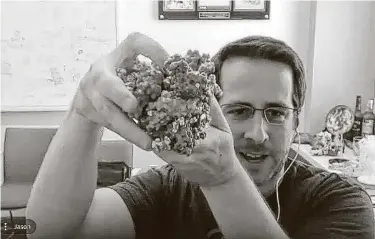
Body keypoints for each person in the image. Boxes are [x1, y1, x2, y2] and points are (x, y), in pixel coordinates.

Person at [26, 32, 374, 239]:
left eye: (276, 113)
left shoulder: (342, 201)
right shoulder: (169, 188)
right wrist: (84, 111)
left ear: (296, 122)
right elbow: (48, 231)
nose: (258, 133)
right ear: (209, 110)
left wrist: (224, 179)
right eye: (238, 111)